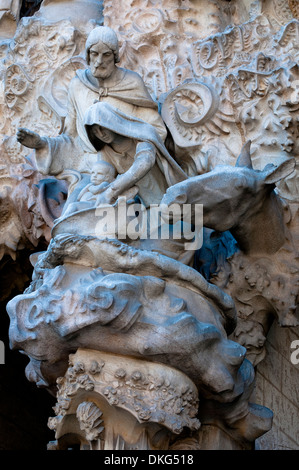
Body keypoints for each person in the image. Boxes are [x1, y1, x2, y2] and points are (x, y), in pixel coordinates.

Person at [16, 25, 167, 177]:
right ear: (88, 55)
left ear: (114, 56)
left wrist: (130, 154)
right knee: (80, 200)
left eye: (106, 55)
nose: (99, 61)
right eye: (94, 54)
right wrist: (41, 144)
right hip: (92, 170)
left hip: (132, 166)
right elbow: (72, 139)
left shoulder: (131, 83)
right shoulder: (77, 86)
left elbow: (156, 130)